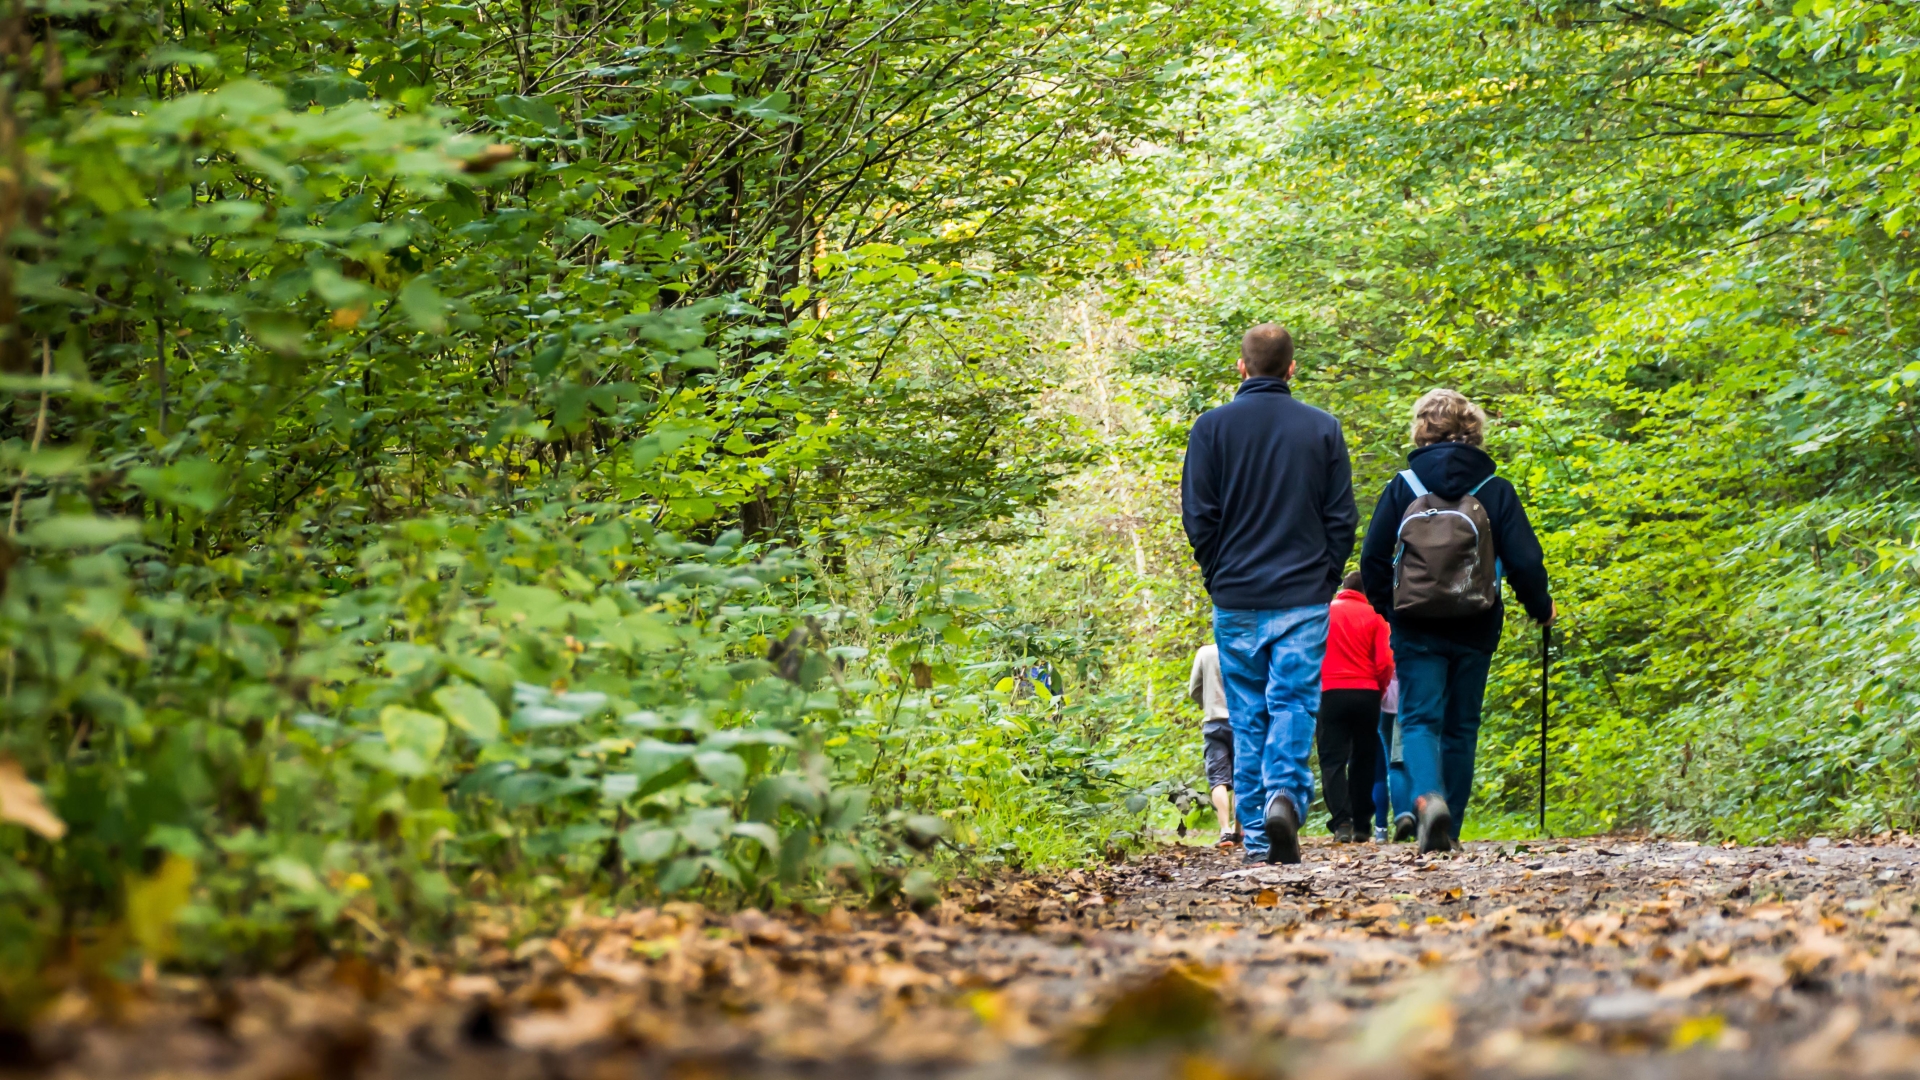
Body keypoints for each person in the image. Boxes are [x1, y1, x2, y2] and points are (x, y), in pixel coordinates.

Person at [1182, 324, 1357, 864]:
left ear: (1241, 367)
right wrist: (1326, 579)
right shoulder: (1323, 429)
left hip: (1236, 596)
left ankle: (1258, 838)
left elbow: (1198, 516)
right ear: (1291, 369)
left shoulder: (1210, 429)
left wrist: (1218, 574)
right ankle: (1284, 794)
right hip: (1303, 596)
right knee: (1294, 703)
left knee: (1248, 713)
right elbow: (1341, 517)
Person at [1359, 389, 1554, 853]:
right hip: (1476, 621)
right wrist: (1540, 606)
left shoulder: (1403, 486)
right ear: (1473, 430)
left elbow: (1372, 557)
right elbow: (1525, 561)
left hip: (1416, 625)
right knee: (1462, 725)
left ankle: (1429, 801)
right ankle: (1452, 826)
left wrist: (1390, 609)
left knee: (1421, 720)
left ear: (1421, 428)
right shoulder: (1494, 489)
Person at [1318, 571, 1393, 842]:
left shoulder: (1324, 613)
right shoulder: (1375, 617)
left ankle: (1342, 822)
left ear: (1343, 588)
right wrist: (1379, 690)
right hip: (1366, 694)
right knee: (1364, 758)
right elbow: (1385, 662)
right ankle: (1362, 823)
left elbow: (1311, 651)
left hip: (1331, 693)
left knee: (1332, 759)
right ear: (1367, 592)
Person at [1186, 644, 1239, 847]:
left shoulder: (1205, 652)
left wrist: (1207, 703)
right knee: (1241, 777)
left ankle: (1225, 830)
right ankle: (1239, 830)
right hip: (1241, 722)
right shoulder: (1241, 649)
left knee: (1219, 780)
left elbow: (1194, 689)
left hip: (1214, 722)